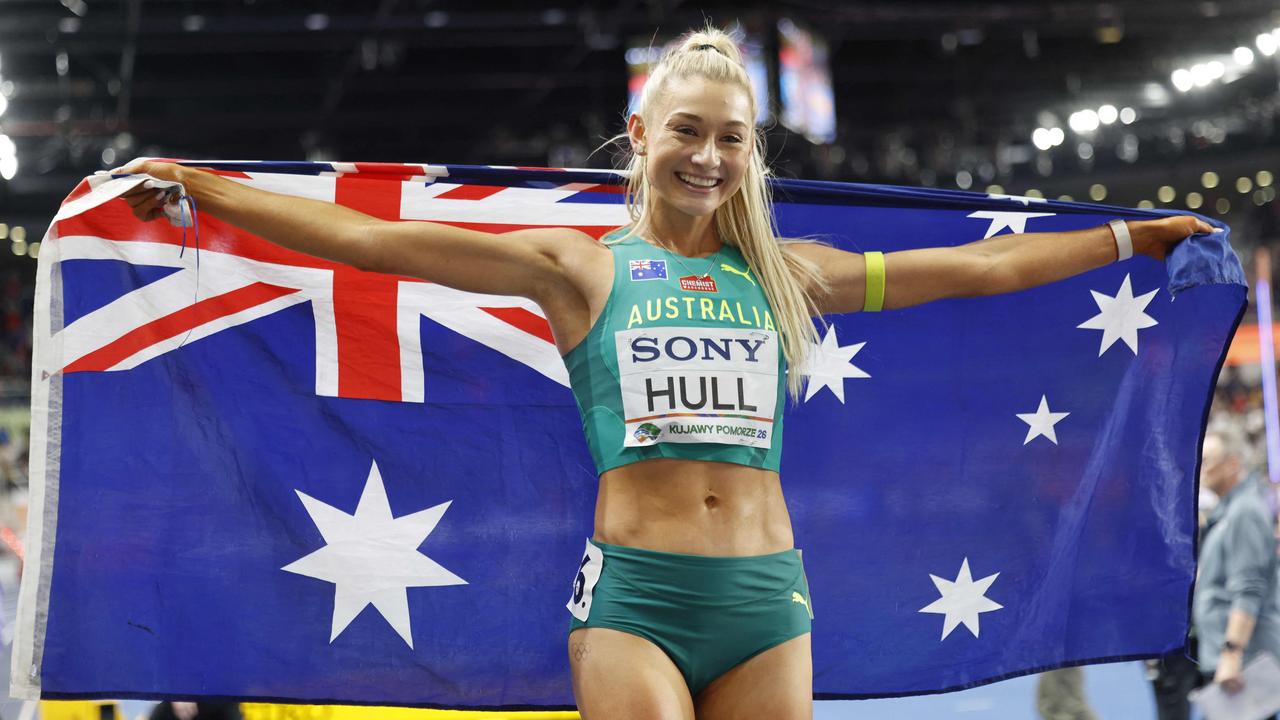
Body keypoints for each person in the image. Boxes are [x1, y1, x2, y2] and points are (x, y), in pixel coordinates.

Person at [114, 26, 1214, 720]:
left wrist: (1133, 238)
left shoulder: (789, 275)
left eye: (732, 138)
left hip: (767, 600)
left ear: (752, 152)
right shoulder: (576, 270)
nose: (708, 156)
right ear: (637, 134)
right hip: (635, 600)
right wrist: (205, 189)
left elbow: (977, 269)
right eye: (686, 131)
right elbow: (371, 244)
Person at [1193, 426, 1280, 708]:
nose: (1201, 467)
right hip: (1232, 655)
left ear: (1232, 463)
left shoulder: (1244, 512)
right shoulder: (1229, 510)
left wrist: (1232, 654)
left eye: (1207, 460)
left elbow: (1249, 588)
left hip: (1244, 661)